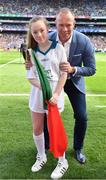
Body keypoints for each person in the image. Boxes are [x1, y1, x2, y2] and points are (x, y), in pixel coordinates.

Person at [25, 8, 96, 164]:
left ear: (74, 24)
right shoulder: (45, 37)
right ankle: (47, 145)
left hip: (74, 81)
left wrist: (73, 69)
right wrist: (28, 61)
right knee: (45, 114)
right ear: (55, 25)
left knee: (82, 116)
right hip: (53, 83)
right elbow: (28, 45)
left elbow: (92, 69)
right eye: (61, 25)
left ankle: (78, 149)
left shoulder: (84, 41)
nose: (64, 29)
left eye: (68, 25)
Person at [26, 16, 68, 179]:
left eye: (41, 30)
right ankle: (41, 156)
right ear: (32, 33)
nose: (39, 34)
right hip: (38, 96)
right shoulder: (30, 53)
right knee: (37, 128)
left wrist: (55, 94)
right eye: (35, 32)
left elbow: (64, 73)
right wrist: (44, 90)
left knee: (54, 129)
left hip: (55, 98)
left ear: (48, 29)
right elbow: (30, 77)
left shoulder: (58, 48)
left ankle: (62, 162)